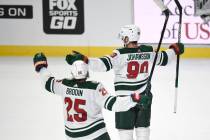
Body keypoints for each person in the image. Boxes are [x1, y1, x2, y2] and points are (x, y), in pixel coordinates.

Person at [66, 24, 184, 140]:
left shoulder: (120, 54)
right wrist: (174, 49)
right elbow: (164, 58)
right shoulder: (147, 51)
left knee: (125, 133)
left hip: (124, 99)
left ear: (127, 38)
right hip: (144, 95)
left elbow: (102, 64)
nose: (122, 39)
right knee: (143, 130)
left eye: (123, 37)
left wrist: (85, 60)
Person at [33, 52, 150, 140]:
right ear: (87, 72)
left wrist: (41, 67)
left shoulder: (63, 85)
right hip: (95, 135)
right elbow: (114, 104)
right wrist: (135, 98)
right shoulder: (94, 87)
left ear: (72, 72)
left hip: (72, 136)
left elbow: (47, 82)